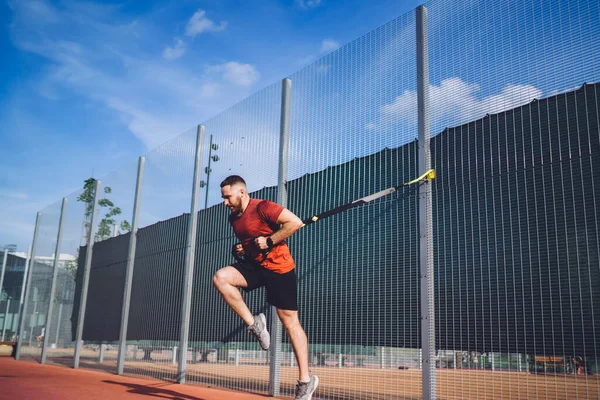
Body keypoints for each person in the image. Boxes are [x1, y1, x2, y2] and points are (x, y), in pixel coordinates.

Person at [213, 175, 319, 400]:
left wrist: (271, 240)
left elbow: (295, 222)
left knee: (290, 323)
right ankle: (255, 325)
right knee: (221, 278)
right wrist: (243, 248)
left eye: (227, 197)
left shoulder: (264, 207)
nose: (225, 203)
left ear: (241, 192)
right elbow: (252, 239)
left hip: (280, 269)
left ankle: (306, 381)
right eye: (223, 198)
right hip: (255, 266)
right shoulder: (234, 218)